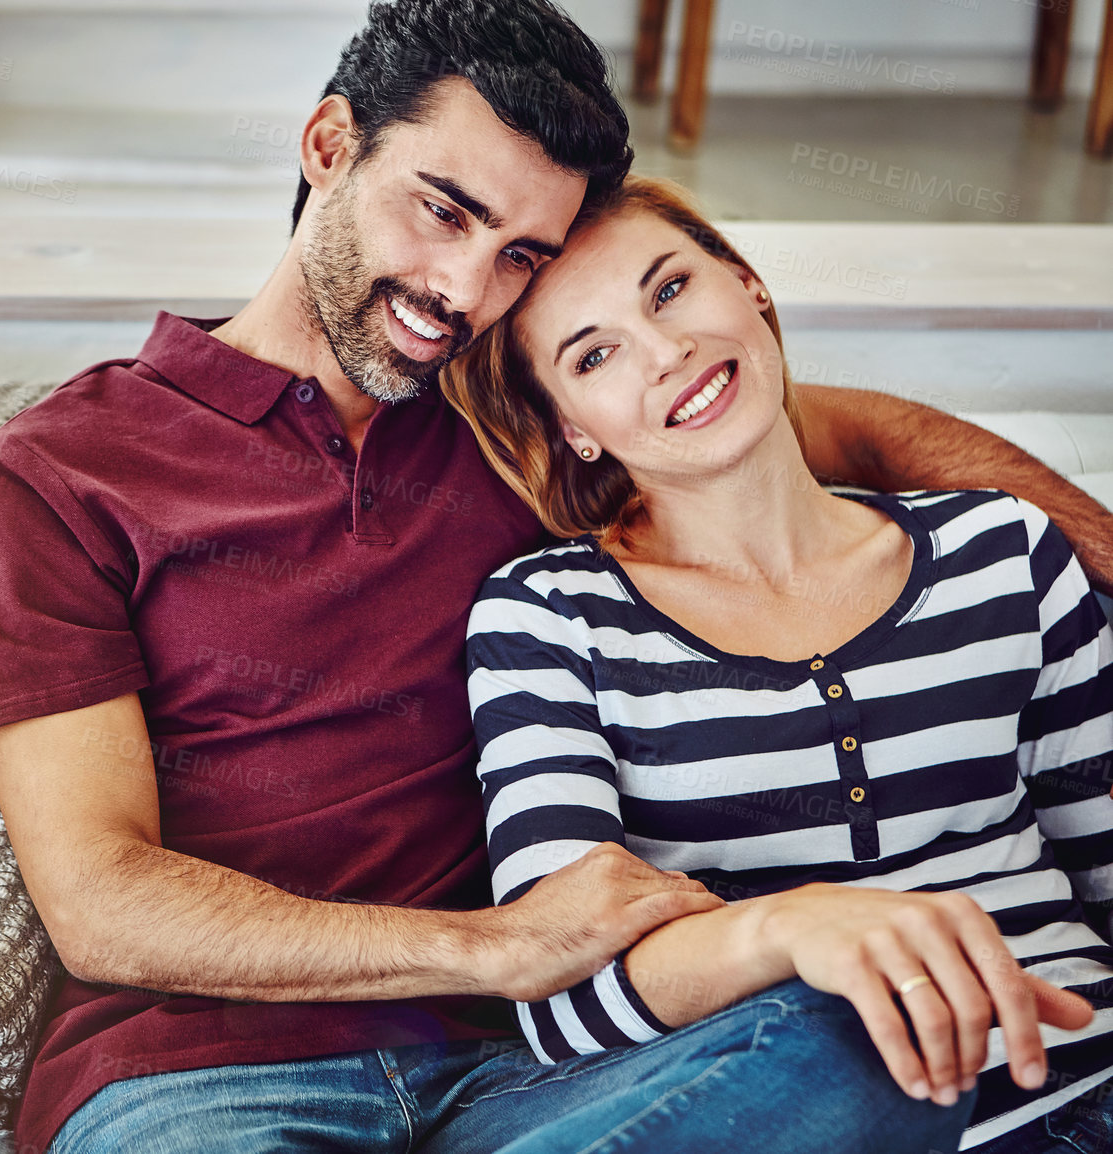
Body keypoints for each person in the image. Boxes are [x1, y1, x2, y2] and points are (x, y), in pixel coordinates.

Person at [0, 2, 1113, 1150]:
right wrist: (486, 944)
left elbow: (830, 426)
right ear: (327, 147)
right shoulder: (69, 467)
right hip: (202, 1076)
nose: (461, 290)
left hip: (530, 1080)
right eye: (443, 211)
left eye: (519, 254)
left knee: (851, 1037)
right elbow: (99, 901)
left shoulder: (519, 421)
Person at [450, 174, 1113, 1153]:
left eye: (670, 288)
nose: (666, 350)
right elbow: (562, 994)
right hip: (832, 1118)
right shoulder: (550, 617)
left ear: (749, 283)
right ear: (573, 426)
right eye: (595, 354)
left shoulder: (1005, 548)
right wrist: (788, 926)